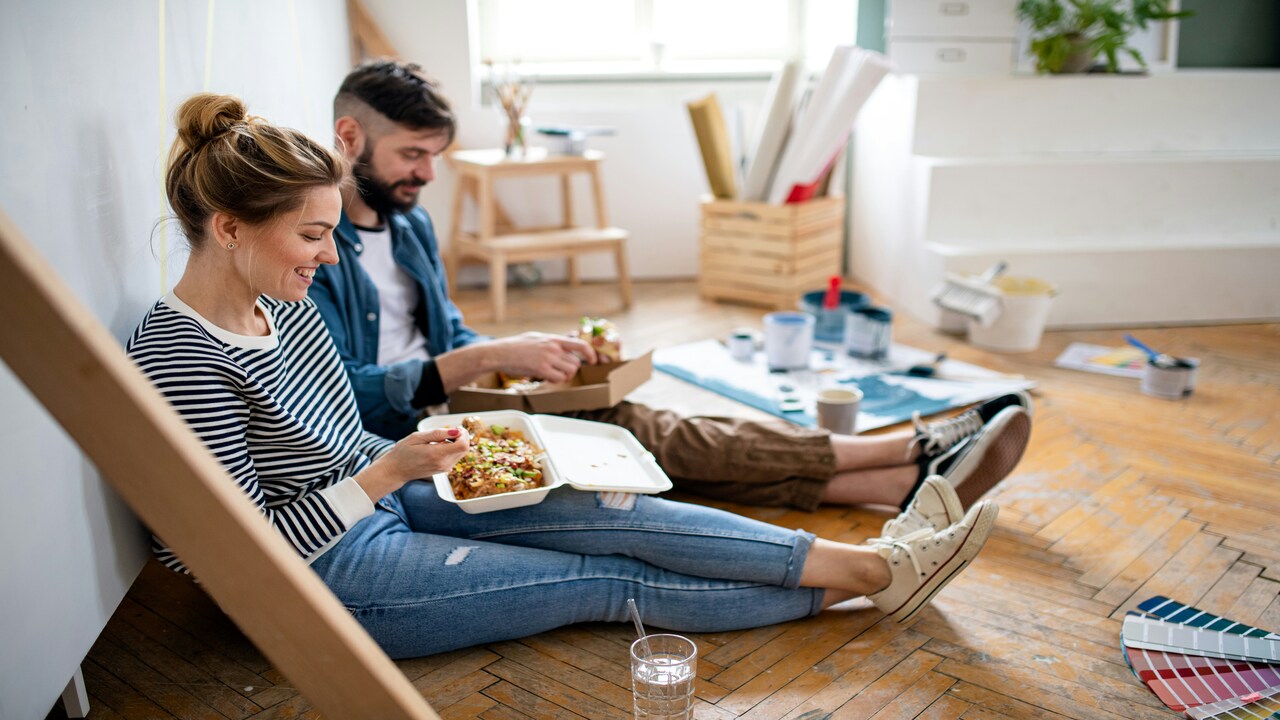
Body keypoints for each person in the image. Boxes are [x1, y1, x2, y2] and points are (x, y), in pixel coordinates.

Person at [127, 92, 999, 659]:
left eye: (330, 232)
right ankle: (876, 581)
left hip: (381, 493)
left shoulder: (279, 302)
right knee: (602, 582)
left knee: (613, 507)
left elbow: (329, 427)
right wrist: (387, 470)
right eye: (312, 236)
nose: (328, 255)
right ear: (229, 226)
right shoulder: (176, 362)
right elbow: (221, 556)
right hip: (320, 579)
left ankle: (870, 556)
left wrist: (427, 447)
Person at [311, 59, 1034, 514]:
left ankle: (889, 481)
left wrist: (535, 354)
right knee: (642, 433)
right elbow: (338, 396)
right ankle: (895, 456)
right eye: (412, 155)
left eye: (434, 156)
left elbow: (452, 337)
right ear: (349, 136)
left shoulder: (409, 227)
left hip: (461, 400)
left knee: (636, 426)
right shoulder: (313, 251)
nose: (428, 174)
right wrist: (474, 363)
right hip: (407, 442)